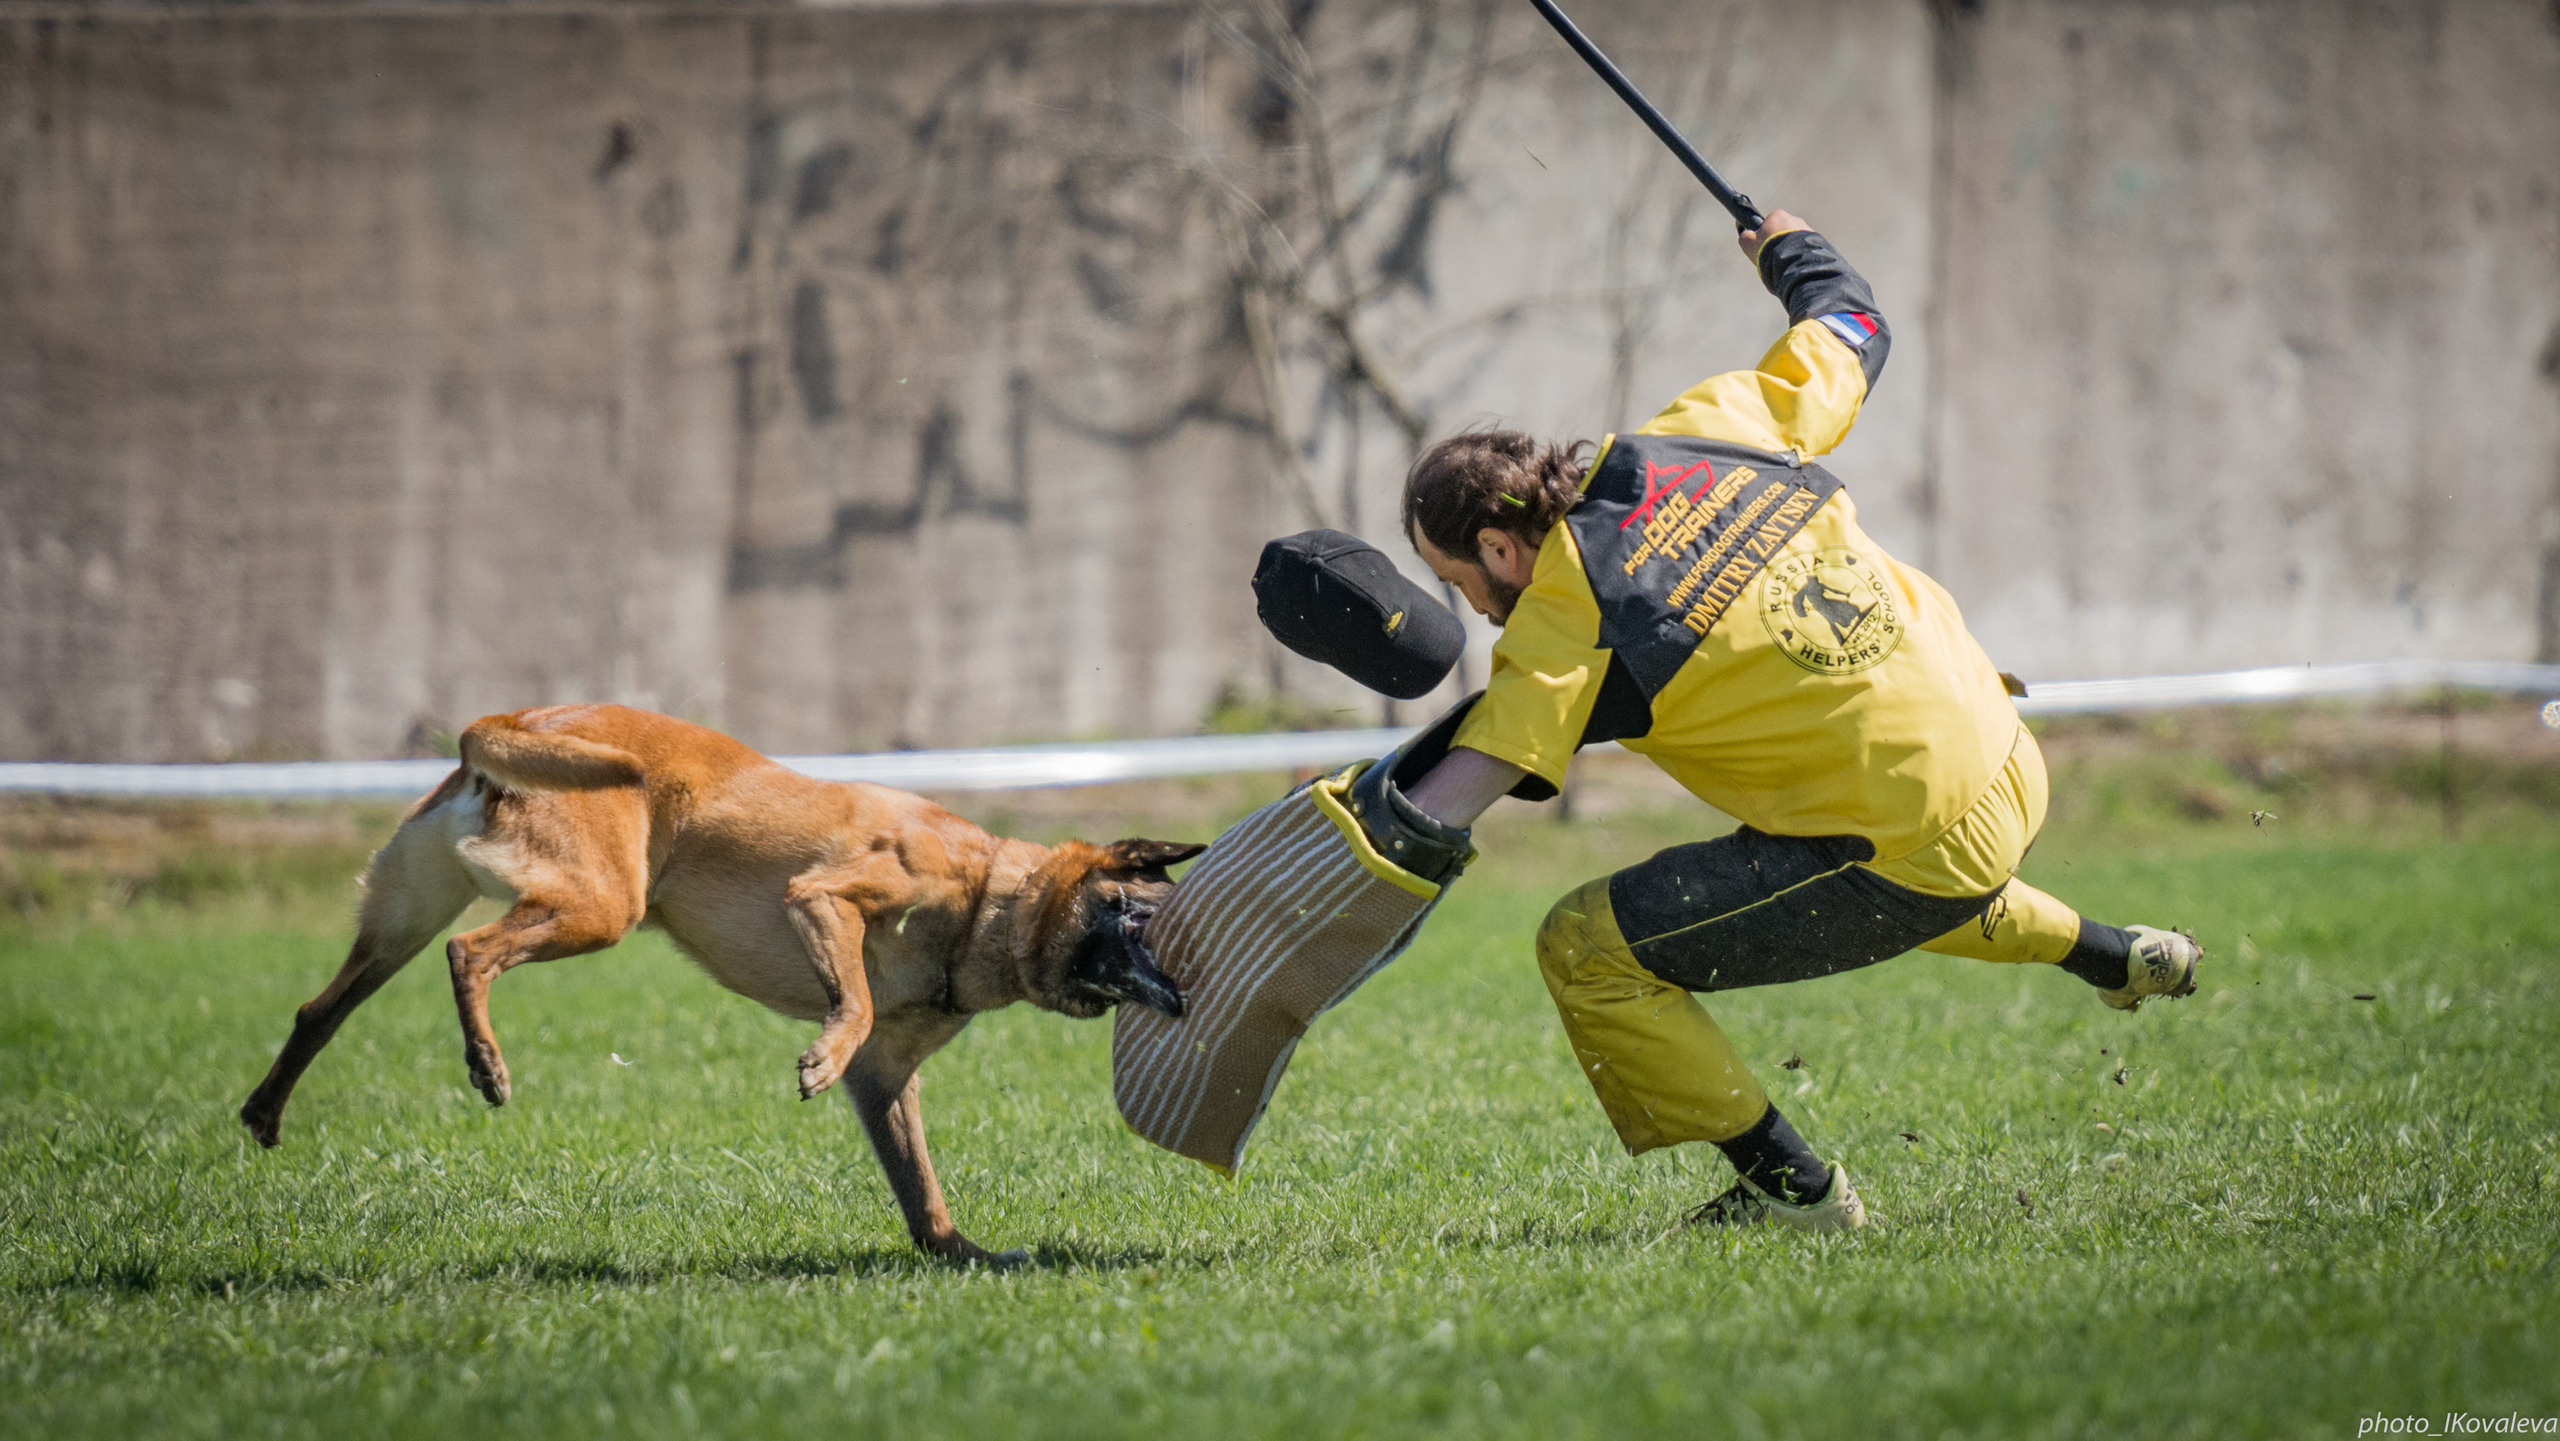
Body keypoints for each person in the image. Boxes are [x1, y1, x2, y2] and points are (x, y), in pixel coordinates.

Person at [1384, 209, 2201, 1232]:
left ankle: (1793, 1194)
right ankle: (2120, 955)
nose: (1470, 604)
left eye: (1456, 579)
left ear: (1500, 547)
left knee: (1585, 945)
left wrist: (1338, 832)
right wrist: (1786, 246)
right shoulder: (1704, 427)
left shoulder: (1558, 616)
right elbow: (1853, 321)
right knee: (1879, 866)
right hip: (2003, 754)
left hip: (1911, 844)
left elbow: (1459, 793)